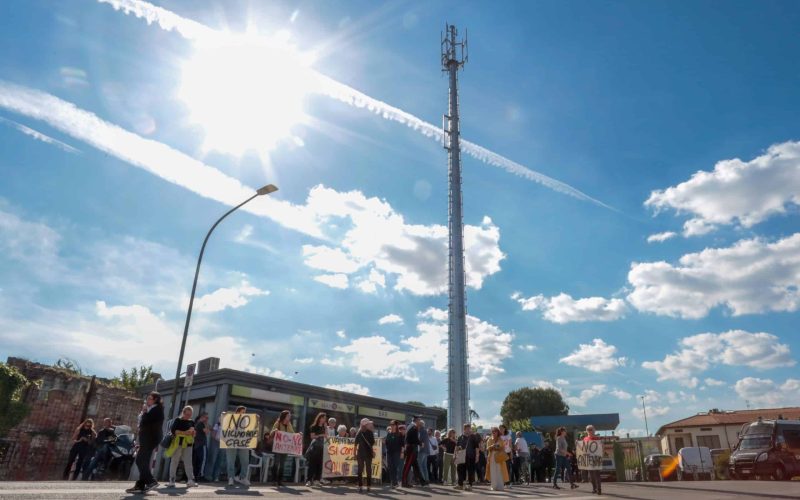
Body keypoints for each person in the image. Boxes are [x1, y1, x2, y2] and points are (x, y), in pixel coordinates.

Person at [126, 391, 164, 493]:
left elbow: (146, 421)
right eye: (147, 398)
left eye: (150, 398)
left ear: (155, 400)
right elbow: (142, 422)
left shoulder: (157, 410)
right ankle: (140, 485)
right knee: (144, 461)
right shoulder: (151, 409)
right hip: (146, 438)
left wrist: (145, 411)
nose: (147, 400)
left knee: (140, 460)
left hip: (150, 438)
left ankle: (151, 481)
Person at [165, 405, 197, 488]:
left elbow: (194, 433)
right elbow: (174, 431)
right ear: (183, 413)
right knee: (174, 461)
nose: (188, 416)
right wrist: (185, 433)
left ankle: (190, 480)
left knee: (188, 462)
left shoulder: (192, 422)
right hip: (178, 443)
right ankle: (172, 480)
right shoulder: (177, 420)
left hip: (188, 444)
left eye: (190, 415)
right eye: (187, 414)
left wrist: (193, 433)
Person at [226, 406, 252, 487]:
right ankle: (231, 477)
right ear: (237, 412)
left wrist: (256, 420)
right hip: (232, 441)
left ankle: (242, 477)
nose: (243, 414)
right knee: (231, 460)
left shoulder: (247, 421)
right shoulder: (231, 418)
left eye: (245, 412)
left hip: (243, 442)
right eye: (242, 412)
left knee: (245, 461)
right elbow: (224, 418)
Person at [271, 410, 294, 487]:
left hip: (285, 448)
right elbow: (271, 433)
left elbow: (292, 434)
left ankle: (280, 481)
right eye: (288, 416)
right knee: (276, 463)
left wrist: (298, 435)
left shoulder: (289, 424)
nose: (289, 417)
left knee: (282, 465)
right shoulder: (278, 423)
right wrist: (275, 431)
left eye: (290, 416)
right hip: (278, 447)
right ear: (284, 416)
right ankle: (274, 480)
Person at [401, 416, 425, 487]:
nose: (420, 422)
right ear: (416, 421)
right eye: (419, 420)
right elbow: (415, 439)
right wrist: (421, 443)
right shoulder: (414, 427)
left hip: (410, 448)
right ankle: (404, 482)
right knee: (407, 466)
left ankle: (422, 481)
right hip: (411, 448)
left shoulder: (409, 426)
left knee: (415, 466)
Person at [354, 418, 376, 493]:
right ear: (365, 424)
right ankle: (368, 487)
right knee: (368, 470)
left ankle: (360, 487)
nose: (369, 424)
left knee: (360, 470)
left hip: (360, 454)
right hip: (368, 454)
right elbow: (372, 443)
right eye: (368, 423)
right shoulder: (370, 432)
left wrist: (354, 454)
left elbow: (355, 444)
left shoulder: (358, 433)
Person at [455, 424, 480, 490]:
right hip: (461, 456)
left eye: (469, 428)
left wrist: (477, 456)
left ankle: (469, 485)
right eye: (467, 428)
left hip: (471, 456)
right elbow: (457, 447)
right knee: (460, 470)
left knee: (470, 471)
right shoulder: (460, 437)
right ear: (464, 429)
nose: (469, 430)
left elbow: (477, 447)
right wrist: (455, 455)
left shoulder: (473, 437)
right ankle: (460, 484)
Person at [306, 412, 327, 487]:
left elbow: (326, 436)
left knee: (319, 464)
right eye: (323, 418)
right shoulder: (314, 426)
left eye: (325, 418)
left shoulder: (324, 427)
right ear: (320, 418)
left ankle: (316, 480)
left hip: (322, 447)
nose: (324, 419)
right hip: (315, 447)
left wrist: (326, 428)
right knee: (312, 464)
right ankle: (309, 480)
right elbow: (312, 436)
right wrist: (321, 435)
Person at [583, 425, 602, 495]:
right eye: (588, 429)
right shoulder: (585, 439)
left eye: (591, 429)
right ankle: (594, 488)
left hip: (596, 458)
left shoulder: (597, 439)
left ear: (594, 430)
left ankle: (599, 489)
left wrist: (602, 445)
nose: (590, 431)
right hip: (589, 459)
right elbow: (583, 448)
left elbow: (601, 448)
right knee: (591, 475)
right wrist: (577, 444)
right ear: (586, 431)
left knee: (597, 474)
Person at [384, 420, 403, 488]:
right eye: (391, 424)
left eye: (393, 425)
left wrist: (402, 453)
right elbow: (386, 443)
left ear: (396, 426)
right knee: (390, 467)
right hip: (389, 452)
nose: (391, 426)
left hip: (396, 452)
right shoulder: (389, 433)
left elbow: (402, 444)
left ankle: (395, 482)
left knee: (395, 467)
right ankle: (393, 482)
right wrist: (384, 441)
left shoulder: (400, 434)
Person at [193, 412, 209, 481]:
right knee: (203, 460)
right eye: (206, 418)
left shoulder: (197, 424)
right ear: (202, 417)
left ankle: (197, 475)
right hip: (201, 445)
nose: (207, 419)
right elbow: (206, 432)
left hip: (197, 445)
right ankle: (201, 475)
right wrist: (206, 425)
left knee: (198, 461)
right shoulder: (201, 424)